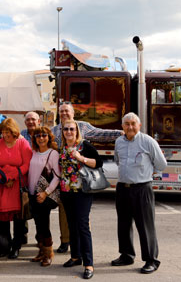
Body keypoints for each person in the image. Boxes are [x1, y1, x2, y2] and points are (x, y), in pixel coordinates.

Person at [52, 101, 122, 254]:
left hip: (82, 180)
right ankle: (65, 241)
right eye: (61, 111)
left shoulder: (82, 126)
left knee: (82, 219)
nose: (64, 114)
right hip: (63, 179)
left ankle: (83, 249)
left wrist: (120, 133)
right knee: (65, 214)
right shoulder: (53, 130)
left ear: (73, 113)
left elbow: (101, 134)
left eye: (67, 111)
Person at [111, 112, 167, 274]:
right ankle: (127, 255)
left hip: (142, 189)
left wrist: (147, 173)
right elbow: (117, 160)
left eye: (133, 123)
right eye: (127, 124)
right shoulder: (119, 142)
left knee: (145, 226)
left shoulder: (148, 141)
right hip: (123, 188)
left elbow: (161, 165)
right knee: (123, 224)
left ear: (139, 126)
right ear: (122, 126)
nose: (130, 127)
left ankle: (151, 260)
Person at [59, 119, 103, 280]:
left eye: (72, 129)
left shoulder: (84, 146)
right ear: (62, 131)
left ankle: (88, 263)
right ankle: (76, 256)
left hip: (82, 191)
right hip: (66, 192)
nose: (69, 131)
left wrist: (81, 158)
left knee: (83, 225)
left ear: (77, 131)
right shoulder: (62, 148)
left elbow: (99, 163)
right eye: (66, 129)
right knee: (72, 224)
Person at [0, 118, 32, 259]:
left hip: (17, 184)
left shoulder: (22, 143)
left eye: (8, 132)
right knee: (2, 219)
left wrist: (12, 177)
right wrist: (3, 177)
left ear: (14, 131)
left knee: (18, 218)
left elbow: (26, 164)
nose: (6, 135)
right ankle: (5, 244)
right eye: (3, 132)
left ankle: (16, 246)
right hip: (2, 184)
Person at [28, 126, 61, 267]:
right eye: (38, 136)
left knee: (43, 224)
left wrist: (46, 192)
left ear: (49, 137)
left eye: (44, 135)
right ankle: (41, 251)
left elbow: (57, 177)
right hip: (33, 194)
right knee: (37, 223)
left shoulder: (53, 154)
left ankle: (48, 254)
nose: (41, 138)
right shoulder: (33, 152)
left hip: (45, 195)